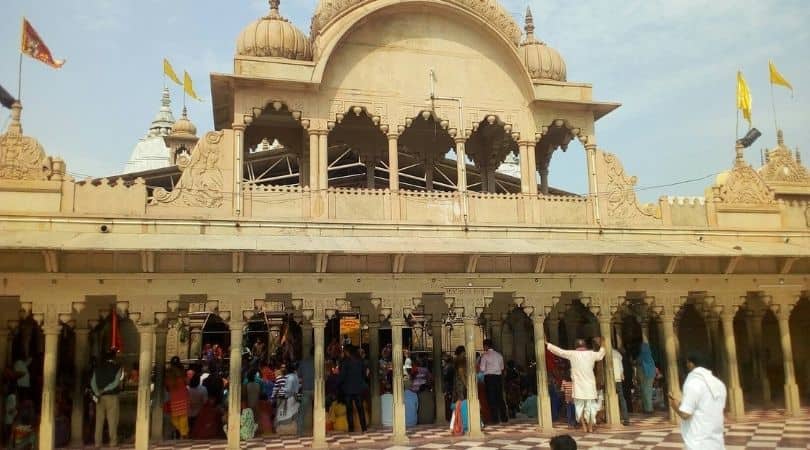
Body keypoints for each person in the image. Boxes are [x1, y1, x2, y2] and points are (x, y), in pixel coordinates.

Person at [668, 352, 726, 450]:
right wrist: (682, 404)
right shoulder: (719, 384)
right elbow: (704, 407)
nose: (686, 366)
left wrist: (674, 406)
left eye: (687, 363)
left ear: (691, 364)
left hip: (698, 443)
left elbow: (685, 414)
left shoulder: (693, 383)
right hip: (716, 441)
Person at [546, 338, 605, 433]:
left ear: (576, 346)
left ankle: (584, 426)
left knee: (579, 407)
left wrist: (548, 344)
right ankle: (590, 427)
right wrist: (603, 345)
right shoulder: (591, 354)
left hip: (578, 386)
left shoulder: (572, 354)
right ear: (585, 346)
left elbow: (560, 352)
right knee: (591, 407)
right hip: (590, 385)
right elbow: (601, 355)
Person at [91, 350, 123, 447]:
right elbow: (116, 382)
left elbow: (93, 382)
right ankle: (113, 442)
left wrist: (97, 392)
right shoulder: (117, 368)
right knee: (112, 420)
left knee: (99, 420)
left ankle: (97, 443)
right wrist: (105, 389)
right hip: (112, 396)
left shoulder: (97, 368)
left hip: (99, 397)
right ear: (114, 358)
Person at [338, 346, 368, 433]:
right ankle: (364, 427)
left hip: (348, 389)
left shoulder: (346, 362)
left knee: (349, 409)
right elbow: (364, 374)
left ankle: (351, 429)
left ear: (348, 352)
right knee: (360, 408)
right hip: (358, 388)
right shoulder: (360, 361)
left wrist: (338, 383)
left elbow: (342, 376)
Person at [479, 339, 508, 424]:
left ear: (486, 346)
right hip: (498, 378)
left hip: (489, 378)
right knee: (499, 397)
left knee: (491, 398)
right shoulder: (499, 355)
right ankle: (504, 418)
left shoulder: (485, 356)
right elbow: (502, 368)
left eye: (484, 346)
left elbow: (482, 368)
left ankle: (495, 419)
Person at [166, 356, 190, 439]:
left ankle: (182, 433)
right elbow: (187, 382)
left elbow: (167, 386)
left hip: (175, 398)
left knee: (175, 418)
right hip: (182, 397)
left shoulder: (169, 373)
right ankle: (183, 433)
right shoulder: (182, 372)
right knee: (182, 417)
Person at [275, 361, 301, 435]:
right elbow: (298, 386)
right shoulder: (295, 376)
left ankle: (286, 431)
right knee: (294, 414)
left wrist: (281, 388)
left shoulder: (289, 377)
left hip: (290, 397)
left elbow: (289, 389)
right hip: (296, 396)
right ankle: (294, 430)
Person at [297, 347, 314, 436]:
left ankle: (299, 432)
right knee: (320, 409)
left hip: (306, 389)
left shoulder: (303, 362)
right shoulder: (320, 361)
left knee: (302, 411)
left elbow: (299, 376)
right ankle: (320, 431)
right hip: (317, 389)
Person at [612, 348, 630, 426]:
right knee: (621, 398)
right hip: (618, 378)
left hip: (612, 378)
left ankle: (614, 417)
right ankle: (625, 418)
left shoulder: (607, 352)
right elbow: (621, 367)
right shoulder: (617, 354)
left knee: (614, 397)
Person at [637, 342, 656, 414]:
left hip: (645, 376)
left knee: (645, 392)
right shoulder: (650, 356)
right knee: (648, 391)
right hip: (650, 376)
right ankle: (648, 408)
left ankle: (648, 409)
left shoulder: (642, 356)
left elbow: (638, 361)